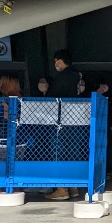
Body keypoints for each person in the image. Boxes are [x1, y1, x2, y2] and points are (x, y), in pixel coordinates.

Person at [45, 49, 83, 200]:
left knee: (58, 152)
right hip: (76, 120)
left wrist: (46, 92)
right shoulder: (78, 77)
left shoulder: (62, 77)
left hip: (61, 120)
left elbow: (51, 98)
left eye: (56, 61)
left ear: (60, 60)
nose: (55, 64)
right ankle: (73, 187)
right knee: (73, 153)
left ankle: (61, 189)